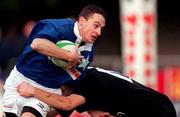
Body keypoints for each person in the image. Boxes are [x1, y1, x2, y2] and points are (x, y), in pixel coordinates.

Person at [2, 5, 106, 117]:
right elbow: (37, 44)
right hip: (19, 79)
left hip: (46, 89)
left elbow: (69, 86)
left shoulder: (89, 53)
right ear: (82, 21)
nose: (99, 32)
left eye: (101, 28)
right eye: (96, 26)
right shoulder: (59, 27)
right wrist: (68, 56)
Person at [17, 67, 177, 117]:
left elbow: (65, 104)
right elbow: (54, 109)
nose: (60, 92)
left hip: (156, 110)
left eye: (60, 88)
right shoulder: (84, 84)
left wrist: (32, 90)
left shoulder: (90, 83)